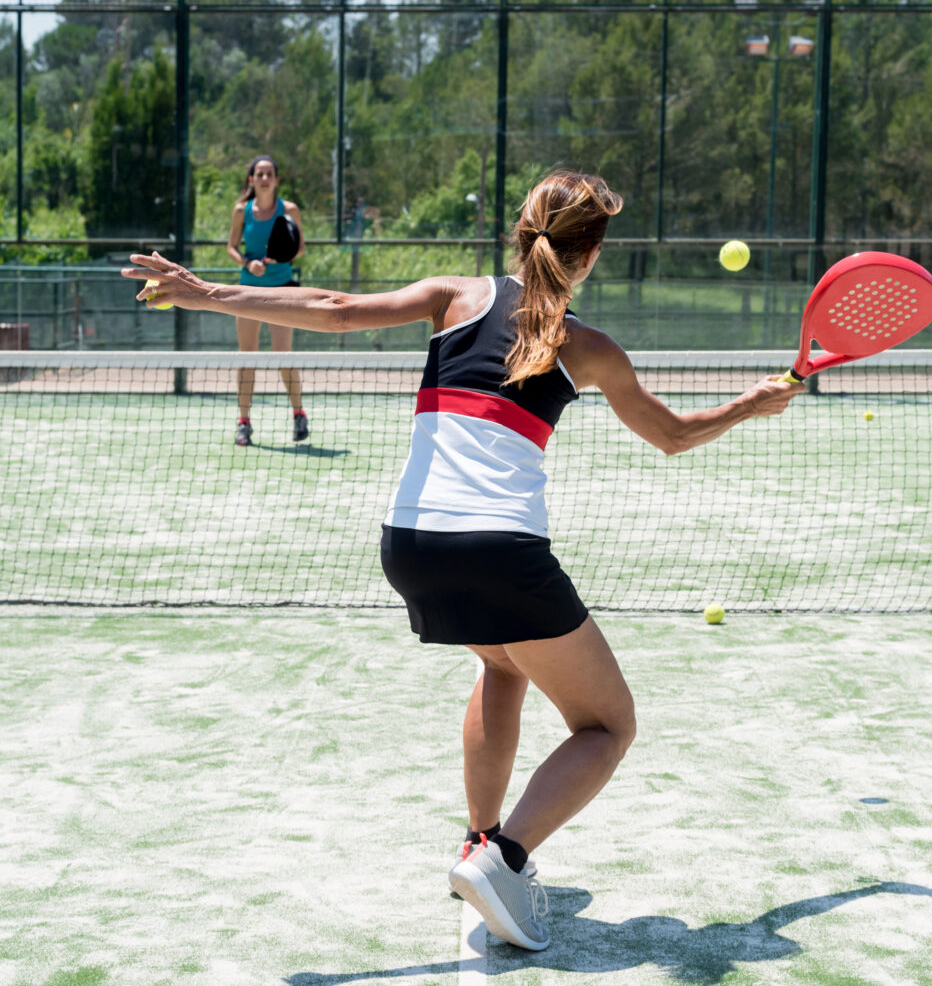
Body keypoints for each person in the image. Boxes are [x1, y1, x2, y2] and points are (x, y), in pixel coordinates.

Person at [123, 170, 803, 952]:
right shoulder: (590, 348)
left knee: (505, 666)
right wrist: (752, 404)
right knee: (608, 724)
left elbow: (335, 309)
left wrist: (205, 293)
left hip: (409, 543)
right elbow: (675, 436)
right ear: (589, 257)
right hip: (497, 548)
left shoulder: (457, 295)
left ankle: (477, 839)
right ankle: (506, 857)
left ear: (521, 234)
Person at [226, 154, 308, 446]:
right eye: (259, 174)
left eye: (269, 174)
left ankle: (299, 414)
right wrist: (249, 263)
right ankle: (244, 422)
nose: (263, 178)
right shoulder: (241, 211)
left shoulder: (290, 210)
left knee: (283, 356)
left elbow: (299, 249)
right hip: (248, 292)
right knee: (247, 358)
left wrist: (278, 257)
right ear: (251, 180)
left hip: (282, 292)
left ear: (276, 180)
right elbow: (232, 248)